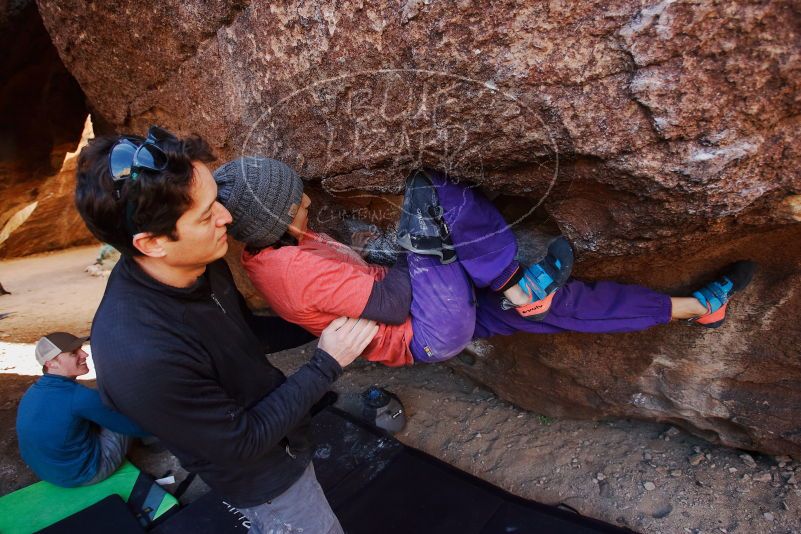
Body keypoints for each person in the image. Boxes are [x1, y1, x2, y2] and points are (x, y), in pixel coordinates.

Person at [74, 126, 378, 534]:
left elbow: (246, 331)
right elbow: (241, 443)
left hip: (280, 430)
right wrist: (327, 363)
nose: (227, 217)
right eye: (206, 214)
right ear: (151, 244)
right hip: (260, 476)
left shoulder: (200, 261)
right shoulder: (139, 357)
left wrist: (323, 322)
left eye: (216, 198)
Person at [214, 158, 756, 367]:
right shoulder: (291, 271)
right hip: (423, 327)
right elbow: (396, 298)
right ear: (282, 216)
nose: (307, 198)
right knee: (430, 196)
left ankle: (700, 306)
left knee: (558, 307)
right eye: (297, 197)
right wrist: (417, 249)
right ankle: (516, 283)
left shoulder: (274, 246)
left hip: (431, 317)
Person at [16, 332, 148, 487]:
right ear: (51, 363)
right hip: (86, 473)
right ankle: (152, 444)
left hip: (49, 472)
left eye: (80, 348)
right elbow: (131, 427)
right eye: (74, 353)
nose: (84, 354)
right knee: (125, 400)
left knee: (101, 398)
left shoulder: (33, 391)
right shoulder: (78, 397)